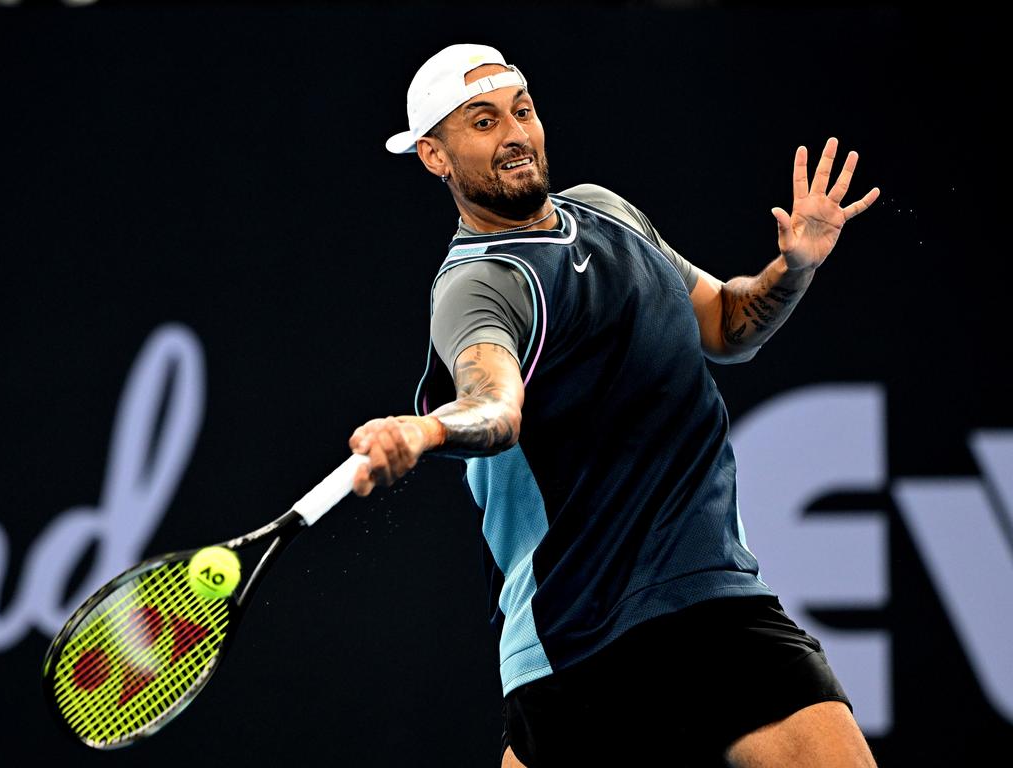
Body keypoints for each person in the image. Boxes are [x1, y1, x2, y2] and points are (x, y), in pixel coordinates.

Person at [348, 43, 881, 768]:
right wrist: (429, 429)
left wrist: (792, 269)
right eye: (482, 122)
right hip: (579, 638)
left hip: (715, 596)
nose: (514, 134)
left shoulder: (608, 213)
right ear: (435, 157)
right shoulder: (477, 286)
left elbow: (725, 324)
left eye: (522, 111)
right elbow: (496, 406)